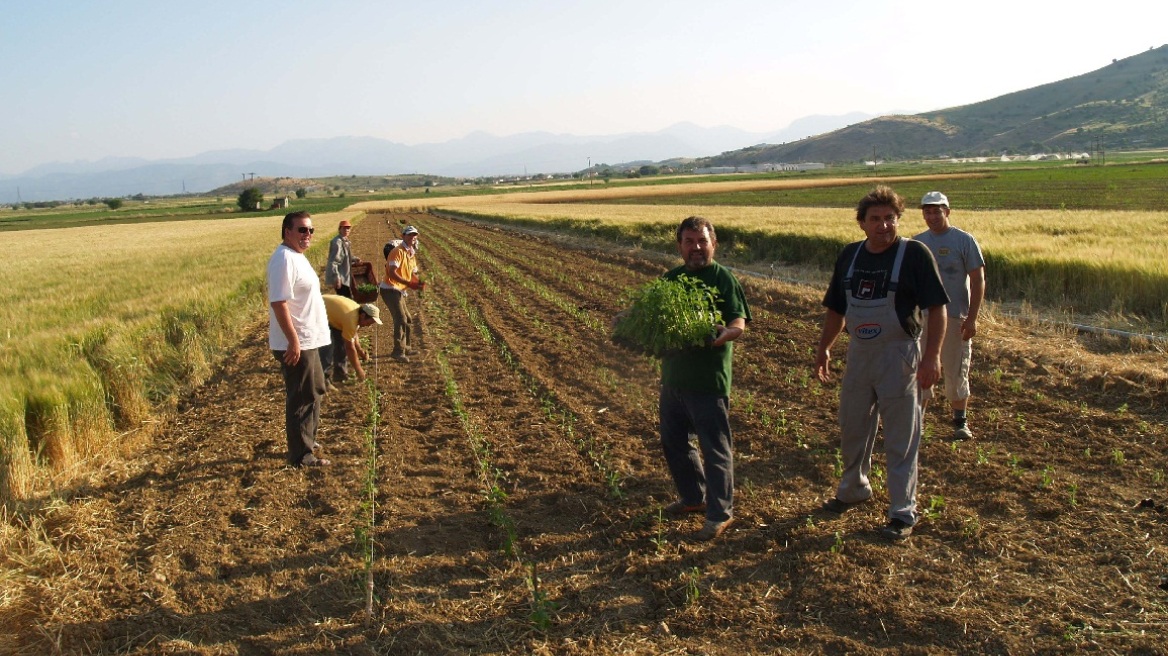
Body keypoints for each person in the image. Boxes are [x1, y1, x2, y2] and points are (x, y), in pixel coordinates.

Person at [814, 186, 949, 540]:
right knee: (853, 425)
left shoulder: (915, 255)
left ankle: (902, 511)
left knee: (902, 437)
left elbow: (937, 309)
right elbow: (836, 309)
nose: (884, 226)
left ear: (898, 220)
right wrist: (824, 347)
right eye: (875, 219)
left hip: (901, 354)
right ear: (862, 223)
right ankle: (853, 489)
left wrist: (932, 357)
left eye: (890, 218)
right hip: (859, 353)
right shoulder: (850, 256)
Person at [651, 216, 751, 541]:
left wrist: (730, 332)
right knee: (674, 442)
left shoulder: (724, 279)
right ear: (679, 246)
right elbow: (655, 318)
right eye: (689, 242)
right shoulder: (672, 279)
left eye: (702, 241)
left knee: (715, 447)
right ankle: (694, 498)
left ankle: (720, 513)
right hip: (674, 378)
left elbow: (738, 319)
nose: (696, 248)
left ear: (714, 244)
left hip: (708, 381)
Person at [914, 191, 986, 441]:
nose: (932, 216)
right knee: (922, 368)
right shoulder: (917, 243)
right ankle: (917, 423)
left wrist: (973, 318)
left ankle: (960, 423)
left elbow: (978, 280)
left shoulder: (964, 241)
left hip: (956, 317)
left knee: (956, 369)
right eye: (927, 211)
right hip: (923, 318)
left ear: (947, 211)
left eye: (937, 211)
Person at [268, 211, 331, 468]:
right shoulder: (283, 259)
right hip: (297, 343)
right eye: (303, 230)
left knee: (314, 390)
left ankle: (309, 439)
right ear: (287, 231)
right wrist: (293, 340)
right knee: (301, 397)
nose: (308, 235)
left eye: (311, 230)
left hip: (308, 339)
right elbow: (278, 302)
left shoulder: (297, 257)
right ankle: (301, 455)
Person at [380, 225, 423, 362]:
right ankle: (398, 351)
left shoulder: (411, 253)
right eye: (409, 235)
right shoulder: (397, 251)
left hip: (399, 290)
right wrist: (408, 282)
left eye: (414, 235)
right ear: (403, 236)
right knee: (400, 318)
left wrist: (418, 283)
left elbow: (413, 273)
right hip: (390, 289)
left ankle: (407, 347)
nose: (412, 237)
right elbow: (392, 272)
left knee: (408, 319)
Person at [320, 294, 382, 386]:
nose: (369, 325)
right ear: (363, 316)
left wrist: (360, 351)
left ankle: (340, 376)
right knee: (327, 348)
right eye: (369, 322)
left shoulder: (357, 313)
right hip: (316, 311)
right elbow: (350, 347)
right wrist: (359, 370)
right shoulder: (351, 319)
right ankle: (323, 381)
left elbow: (353, 334)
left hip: (331, 315)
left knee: (341, 345)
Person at [325, 219, 360, 298]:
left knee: (349, 299)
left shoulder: (345, 241)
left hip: (346, 276)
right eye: (344, 228)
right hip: (341, 277)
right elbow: (333, 261)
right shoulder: (337, 242)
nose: (346, 230)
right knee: (347, 300)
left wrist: (354, 259)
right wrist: (336, 277)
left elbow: (346, 256)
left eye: (348, 228)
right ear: (339, 229)